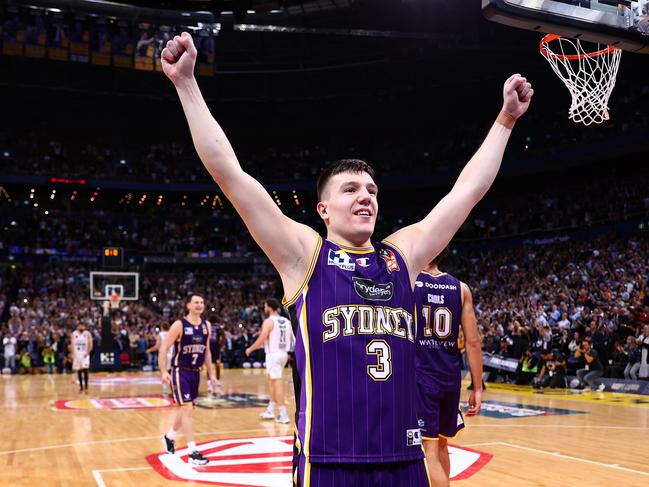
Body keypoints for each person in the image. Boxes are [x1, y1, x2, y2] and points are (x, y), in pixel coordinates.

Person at [161, 32, 532, 486]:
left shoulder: (402, 256)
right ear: (323, 209)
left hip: (404, 460)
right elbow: (228, 172)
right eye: (351, 190)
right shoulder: (303, 255)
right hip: (329, 462)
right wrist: (187, 85)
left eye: (372, 191)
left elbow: (467, 191)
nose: (366, 198)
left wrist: (505, 121)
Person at [414, 248, 483, 487]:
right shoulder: (461, 288)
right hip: (450, 378)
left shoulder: (410, 281)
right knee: (442, 444)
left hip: (421, 377)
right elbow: (473, 342)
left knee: (428, 449)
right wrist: (477, 387)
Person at [159, 295, 216, 466]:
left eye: (202, 302)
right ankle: (192, 452)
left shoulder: (207, 326)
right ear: (188, 305)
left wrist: (211, 374)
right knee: (188, 408)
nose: (199, 305)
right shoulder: (179, 325)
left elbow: (207, 352)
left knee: (188, 410)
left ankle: (169, 437)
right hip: (180, 371)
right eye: (196, 302)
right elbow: (164, 348)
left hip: (196, 373)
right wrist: (163, 370)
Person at [245, 298, 294, 424]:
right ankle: (270, 410)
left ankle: (283, 415)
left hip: (273, 354)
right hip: (284, 354)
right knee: (272, 382)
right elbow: (293, 339)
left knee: (277, 384)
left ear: (269, 307)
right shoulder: (286, 321)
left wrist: (251, 348)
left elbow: (262, 338)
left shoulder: (269, 321)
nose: (264, 308)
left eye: (265, 306)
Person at [146, 322, 173, 395]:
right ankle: (174, 389)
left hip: (163, 355)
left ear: (161, 327)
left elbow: (157, 346)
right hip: (172, 354)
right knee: (171, 372)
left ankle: (165, 390)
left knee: (164, 372)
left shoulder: (160, 334)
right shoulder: (172, 333)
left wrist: (149, 350)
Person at [71, 322, 92, 393]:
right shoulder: (74, 334)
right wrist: (73, 354)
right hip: (77, 354)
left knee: (85, 370)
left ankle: (86, 387)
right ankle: (81, 387)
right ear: (78, 326)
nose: (81, 327)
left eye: (83, 326)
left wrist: (88, 352)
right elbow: (72, 344)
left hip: (85, 354)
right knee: (79, 371)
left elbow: (90, 344)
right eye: (80, 326)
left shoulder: (87, 334)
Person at [206, 319, 225, 395]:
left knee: (209, 364)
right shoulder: (219, 327)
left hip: (209, 346)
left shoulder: (207, 326)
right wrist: (221, 345)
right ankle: (217, 380)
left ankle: (209, 382)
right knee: (217, 364)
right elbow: (223, 336)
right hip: (216, 347)